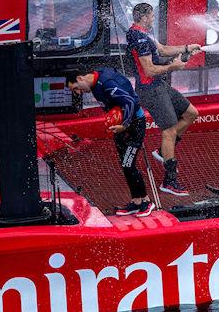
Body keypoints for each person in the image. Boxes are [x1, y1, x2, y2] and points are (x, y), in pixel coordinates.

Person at [126, 3, 201, 196]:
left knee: (191, 113)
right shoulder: (139, 38)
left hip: (159, 85)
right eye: (151, 16)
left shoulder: (145, 32)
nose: (153, 18)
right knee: (169, 130)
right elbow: (149, 70)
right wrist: (172, 67)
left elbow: (163, 49)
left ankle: (162, 151)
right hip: (149, 89)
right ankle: (169, 181)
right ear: (143, 17)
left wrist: (186, 47)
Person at [65, 68, 155, 217]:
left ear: (80, 78)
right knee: (125, 164)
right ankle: (136, 201)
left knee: (128, 163)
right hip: (120, 127)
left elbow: (130, 101)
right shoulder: (94, 84)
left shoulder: (106, 83)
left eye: (76, 89)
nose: (78, 93)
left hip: (134, 125)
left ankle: (146, 201)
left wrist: (124, 125)